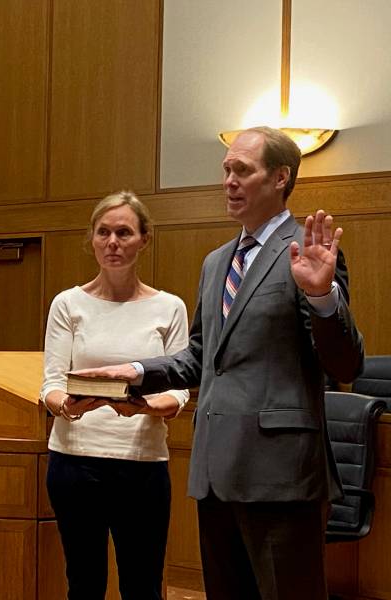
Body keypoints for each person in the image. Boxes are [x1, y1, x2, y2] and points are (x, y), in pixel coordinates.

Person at [75, 127, 364, 599]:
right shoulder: (216, 262)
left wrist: (321, 296)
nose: (229, 180)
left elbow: (345, 363)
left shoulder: (307, 251)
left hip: (281, 475)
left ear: (280, 177)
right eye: (226, 169)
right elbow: (201, 355)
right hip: (216, 470)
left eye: (242, 170)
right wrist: (137, 372)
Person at [40, 191, 190, 600]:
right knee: (83, 583)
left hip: (141, 465)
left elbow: (179, 391)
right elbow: (51, 384)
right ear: (91, 238)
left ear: (144, 239)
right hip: (74, 463)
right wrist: (67, 408)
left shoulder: (169, 307)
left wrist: (141, 406)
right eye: (103, 232)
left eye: (124, 232)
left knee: (142, 586)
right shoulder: (68, 304)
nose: (112, 243)